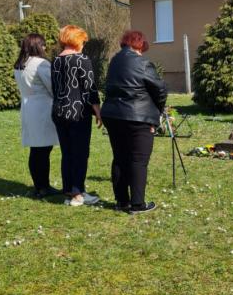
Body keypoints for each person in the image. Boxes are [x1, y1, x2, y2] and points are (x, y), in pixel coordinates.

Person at [101, 30, 167, 214]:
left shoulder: (113, 62)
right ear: (140, 45)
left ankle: (122, 202)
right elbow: (160, 90)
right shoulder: (143, 63)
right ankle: (138, 204)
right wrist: (157, 111)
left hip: (112, 115)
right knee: (138, 160)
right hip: (138, 117)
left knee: (119, 158)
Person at [51, 25, 102, 207]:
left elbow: (55, 87)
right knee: (80, 153)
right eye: (83, 41)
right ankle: (77, 193)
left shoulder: (55, 61)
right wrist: (97, 110)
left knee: (67, 153)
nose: (83, 44)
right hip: (77, 112)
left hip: (58, 111)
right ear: (76, 40)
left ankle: (68, 189)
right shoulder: (82, 60)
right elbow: (90, 88)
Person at [13, 33, 60, 198]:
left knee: (36, 149)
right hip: (42, 108)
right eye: (43, 44)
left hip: (28, 107)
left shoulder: (20, 64)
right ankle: (43, 186)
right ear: (38, 46)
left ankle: (39, 185)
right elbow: (53, 87)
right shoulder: (41, 64)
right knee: (43, 150)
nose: (45, 47)